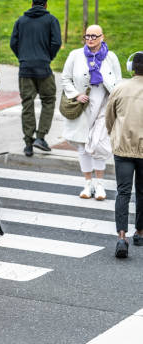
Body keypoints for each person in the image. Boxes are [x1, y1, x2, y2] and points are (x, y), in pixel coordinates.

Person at [61, 25, 121, 200]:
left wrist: (114, 101)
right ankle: (87, 184)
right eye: (87, 36)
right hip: (83, 108)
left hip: (103, 107)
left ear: (102, 37)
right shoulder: (75, 55)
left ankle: (100, 185)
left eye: (94, 36)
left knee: (99, 145)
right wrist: (76, 94)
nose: (90, 39)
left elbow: (118, 81)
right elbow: (65, 79)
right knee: (83, 146)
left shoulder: (111, 57)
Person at [10, 0, 61, 157]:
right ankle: (40, 137)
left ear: (32, 4)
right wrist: (47, 57)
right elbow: (56, 42)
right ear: (46, 5)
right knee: (49, 100)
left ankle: (28, 144)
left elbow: (13, 43)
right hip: (44, 68)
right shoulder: (52, 20)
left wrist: (23, 58)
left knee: (27, 104)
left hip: (25, 69)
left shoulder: (21, 21)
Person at [105, 51, 143, 259]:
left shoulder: (120, 88)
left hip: (123, 147)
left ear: (131, 68)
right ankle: (140, 232)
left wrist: (115, 134)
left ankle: (122, 236)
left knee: (123, 192)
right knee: (142, 192)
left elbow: (109, 118)